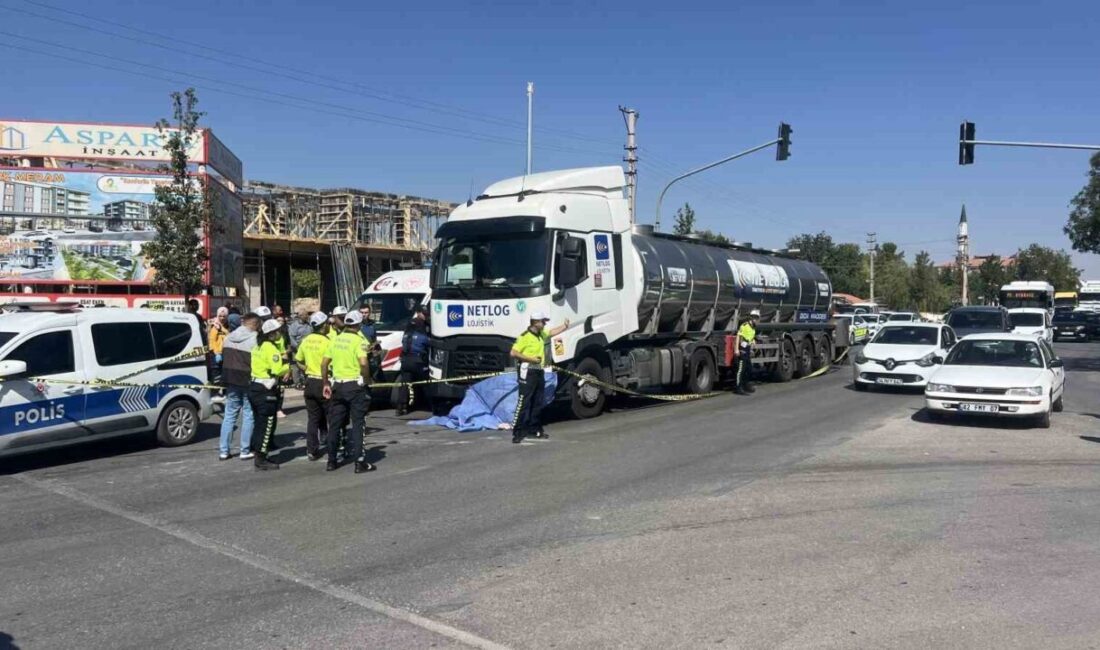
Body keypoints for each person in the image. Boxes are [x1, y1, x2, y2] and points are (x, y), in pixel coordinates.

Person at [322, 310, 375, 473]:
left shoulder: (336, 339)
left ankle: (331, 461)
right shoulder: (358, 341)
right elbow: (364, 363)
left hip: (337, 385)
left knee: (335, 425)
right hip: (354, 385)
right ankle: (359, 462)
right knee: (358, 424)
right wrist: (366, 380)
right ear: (358, 324)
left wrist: (325, 383)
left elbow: (324, 363)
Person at [509, 311, 569, 444]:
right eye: (543, 321)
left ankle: (533, 429)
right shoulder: (524, 337)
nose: (545, 323)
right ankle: (517, 431)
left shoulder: (541, 334)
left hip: (538, 371)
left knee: (537, 401)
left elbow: (552, 332)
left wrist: (564, 326)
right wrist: (530, 358)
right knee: (524, 401)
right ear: (536, 322)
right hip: (528, 370)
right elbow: (513, 352)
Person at [219, 313, 261, 461]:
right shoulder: (255, 338)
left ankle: (224, 451)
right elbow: (258, 361)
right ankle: (244, 450)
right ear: (255, 324)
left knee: (229, 415)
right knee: (248, 415)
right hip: (247, 380)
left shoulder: (229, 337)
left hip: (230, 379)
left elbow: (222, 357)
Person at [249, 319, 289, 471]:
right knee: (267, 425)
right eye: (277, 331)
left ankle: (257, 451)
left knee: (259, 423)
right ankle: (261, 458)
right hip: (266, 389)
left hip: (254, 387)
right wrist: (287, 368)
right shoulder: (271, 348)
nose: (279, 333)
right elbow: (277, 369)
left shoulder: (258, 346)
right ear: (271, 334)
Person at [295, 311, 331, 462]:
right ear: (323, 326)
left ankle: (312, 450)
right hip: (324, 382)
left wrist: (307, 369)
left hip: (310, 382)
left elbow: (298, 360)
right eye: (328, 323)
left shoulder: (306, 340)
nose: (330, 326)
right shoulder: (328, 342)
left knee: (313, 419)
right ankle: (335, 447)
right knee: (332, 417)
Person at [395, 305, 430, 416]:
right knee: (426, 382)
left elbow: (404, 340)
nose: (426, 316)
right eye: (424, 314)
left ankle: (401, 407)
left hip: (405, 359)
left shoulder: (409, 324)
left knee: (405, 384)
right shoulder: (423, 326)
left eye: (427, 314)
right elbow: (425, 341)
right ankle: (431, 405)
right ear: (418, 312)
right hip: (418, 360)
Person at [734, 309, 760, 395]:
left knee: (749, 369)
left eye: (758, 318)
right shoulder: (744, 326)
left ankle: (745, 385)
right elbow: (738, 337)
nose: (757, 320)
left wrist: (753, 343)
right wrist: (736, 349)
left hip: (748, 350)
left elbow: (750, 338)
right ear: (752, 318)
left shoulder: (753, 329)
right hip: (742, 349)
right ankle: (738, 388)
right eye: (756, 318)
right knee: (741, 370)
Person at [208, 306, 230, 384]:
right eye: (220, 316)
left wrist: (221, 328)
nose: (222, 318)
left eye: (224, 316)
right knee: (216, 374)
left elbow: (229, 335)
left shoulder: (228, 326)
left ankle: (223, 391)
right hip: (216, 355)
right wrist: (217, 353)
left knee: (225, 375)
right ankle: (216, 392)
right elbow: (212, 341)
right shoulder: (214, 326)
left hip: (226, 354)